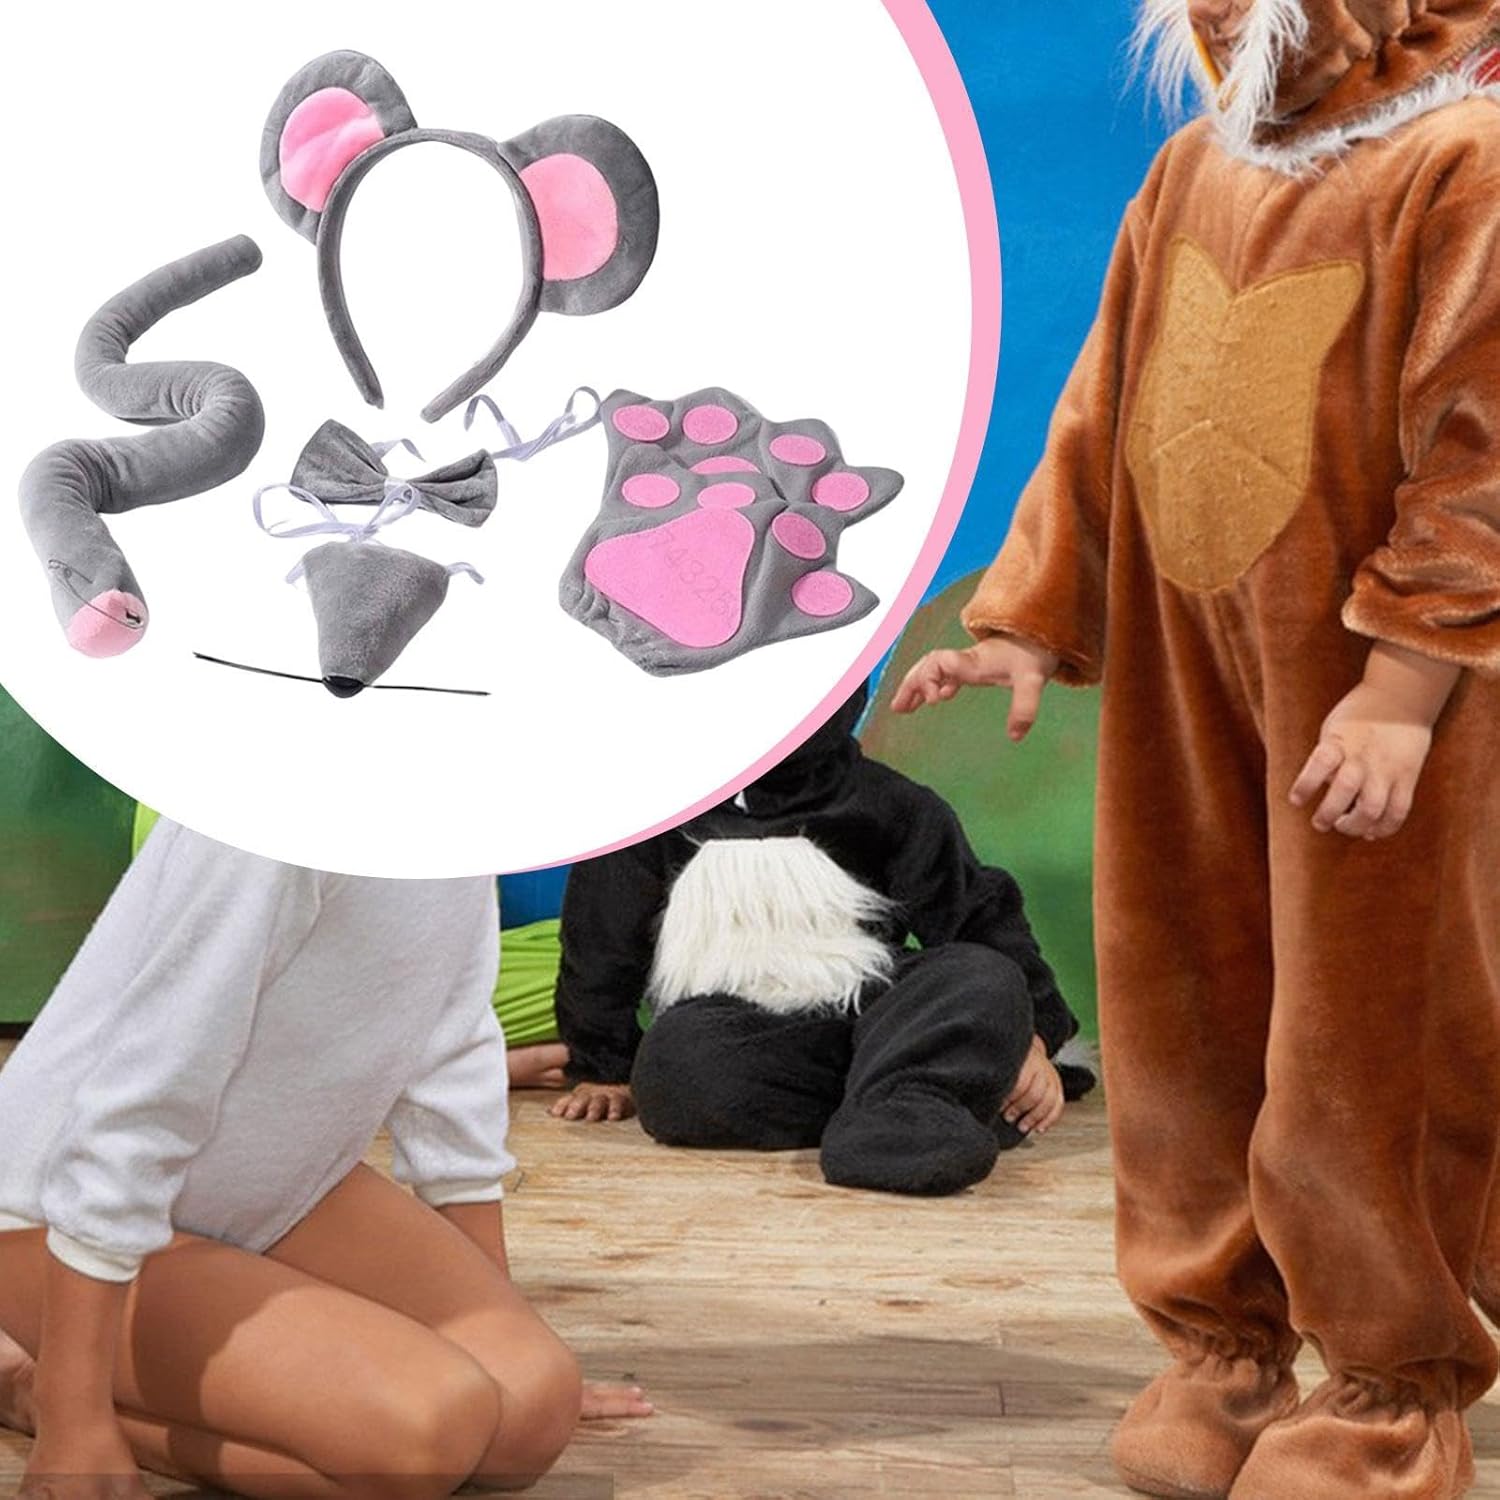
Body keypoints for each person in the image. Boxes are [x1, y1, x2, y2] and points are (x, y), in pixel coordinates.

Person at [894, 2, 1499, 1497]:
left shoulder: (1461, 163)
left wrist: (1403, 687)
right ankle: (1224, 1351)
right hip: (1187, 679)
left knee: (1368, 1027)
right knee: (1183, 997)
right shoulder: (1192, 168)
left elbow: (1483, 447)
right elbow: (1102, 409)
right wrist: (1032, 617)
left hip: (1369, 687)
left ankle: (1390, 1386)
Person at [0, 820, 648, 1500]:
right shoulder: (265, 822)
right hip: (58, 1212)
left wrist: (501, 1333)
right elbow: (141, 1095)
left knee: (530, 1414)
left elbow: (451, 1039)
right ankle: (29, 1387)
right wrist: (72, 1416)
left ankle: (97, 1383)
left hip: (274, 1189)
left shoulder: (465, 806)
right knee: (424, 1437)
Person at [549, 685, 1093, 1196]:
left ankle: (909, 1100)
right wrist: (604, 1068)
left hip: (875, 1006)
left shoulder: (889, 803)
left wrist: (1032, 1040)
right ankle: (914, 1096)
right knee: (676, 1064)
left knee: (981, 975)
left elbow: (979, 916)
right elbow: (601, 942)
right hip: (747, 1031)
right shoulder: (660, 811)